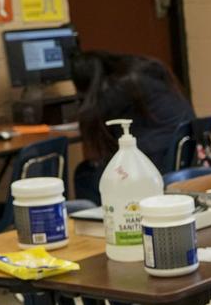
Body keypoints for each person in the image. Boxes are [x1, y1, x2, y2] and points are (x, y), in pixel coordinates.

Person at [71, 51, 195, 204]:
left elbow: (90, 119)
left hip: (155, 160)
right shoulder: (150, 74)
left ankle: (95, 219)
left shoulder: (123, 86)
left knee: (85, 173)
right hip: (179, 155)